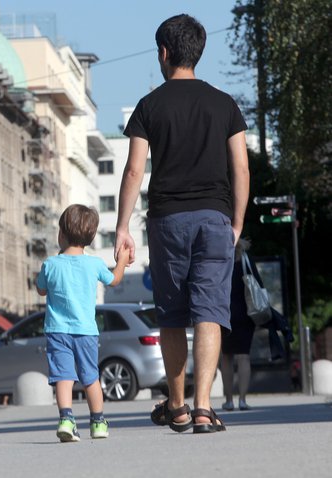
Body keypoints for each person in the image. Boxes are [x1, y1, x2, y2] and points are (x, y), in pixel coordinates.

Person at [115, 14, 250, 434]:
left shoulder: (149, 105)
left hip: (168, 220)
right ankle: (205, 407)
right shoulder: (224, 103)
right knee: (210, 310)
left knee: (172, 314)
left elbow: (135, 171)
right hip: (215, 218)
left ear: (163, 52)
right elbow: (241, 168)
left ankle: (176, 406)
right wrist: (237, 223)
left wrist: (122, 227)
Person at [36, 204, 130, 442]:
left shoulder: (50, 264)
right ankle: (98, 423)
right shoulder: (95, 263)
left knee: (62, 377)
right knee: (90, 377)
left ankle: (66, 419)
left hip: (57, 331)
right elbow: (115, 280)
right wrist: (122, 260)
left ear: (62, 234)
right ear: (90, 237)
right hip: (86, 332)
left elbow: (41, 290)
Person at [220, 238, 257, 411]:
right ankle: (242, 399)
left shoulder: (219, 260)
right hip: (245, 315)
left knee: (226, 357)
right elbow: (258, 285)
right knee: (243, 357)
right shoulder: (246, 261)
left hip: (223, 314)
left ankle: (229, 400)